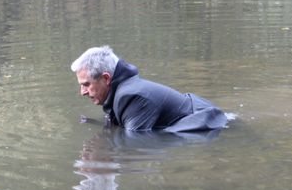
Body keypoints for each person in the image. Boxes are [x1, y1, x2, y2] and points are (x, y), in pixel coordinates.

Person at [70, 46, 228, 132]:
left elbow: (135, 146)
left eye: (86, 84)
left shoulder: (131, 96)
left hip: (210, 124)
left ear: (106, 78)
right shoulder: (122, 92)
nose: (82, 92)